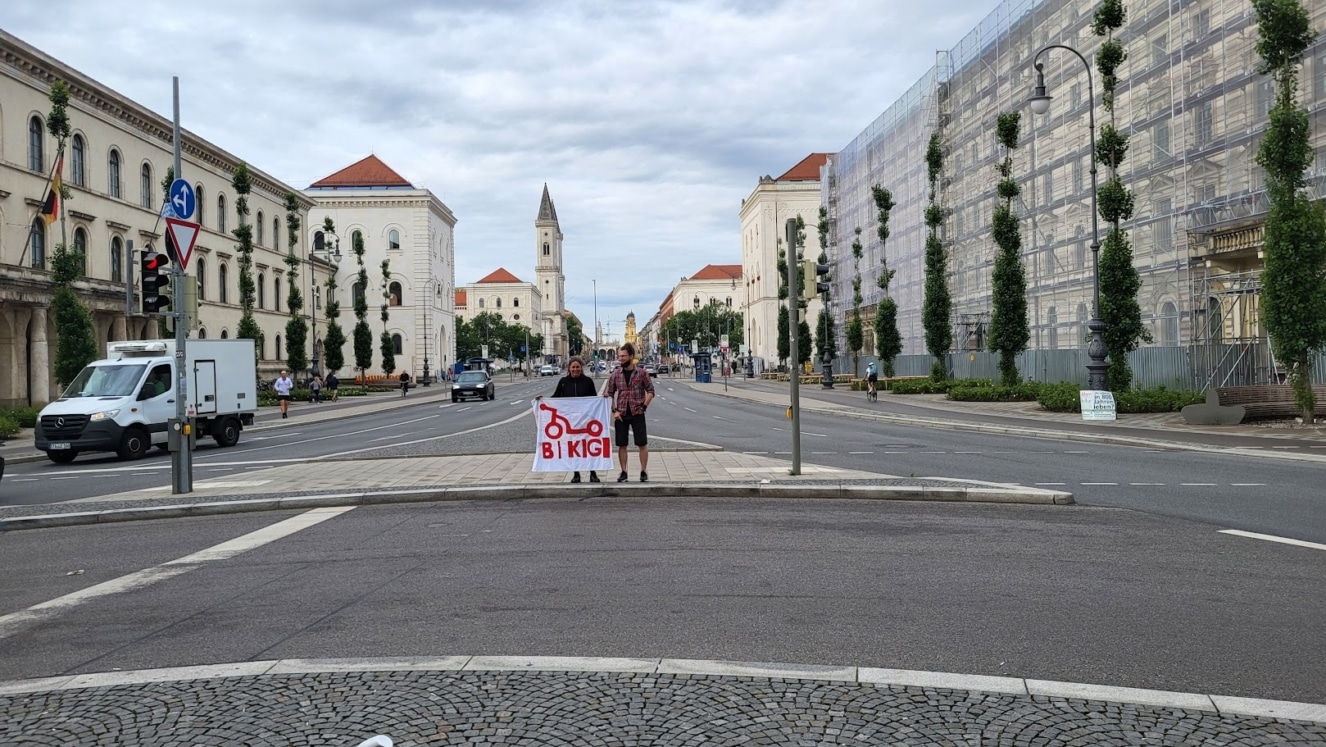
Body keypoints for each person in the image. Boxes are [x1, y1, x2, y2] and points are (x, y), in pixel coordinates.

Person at [538, 357, 600, 483]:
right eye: (573, 367)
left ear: (581, 368)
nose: (575, 369)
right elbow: (556, 397)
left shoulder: (588, 381)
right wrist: (543, 400)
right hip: (570, 420)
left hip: (585, 419)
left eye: (577, 367)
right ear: (569, 368)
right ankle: (576, 473)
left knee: (588, 447)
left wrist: (602, 400)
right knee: (573, 448)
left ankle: (593, 473)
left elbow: (594, 399)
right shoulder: (563, 382)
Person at [604, 342, 655, 483]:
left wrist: (644, 407)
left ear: (631, 356)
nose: (621, 358)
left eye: (623, 356)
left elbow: (651, 391)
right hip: (620, 414)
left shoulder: (642, 373)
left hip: (637, 412)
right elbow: (609, 393)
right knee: (622, 444)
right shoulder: (615, 374)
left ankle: (644, 471)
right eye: (620, 356)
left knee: (642, 443)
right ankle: (623, 471)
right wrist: (614, 410)